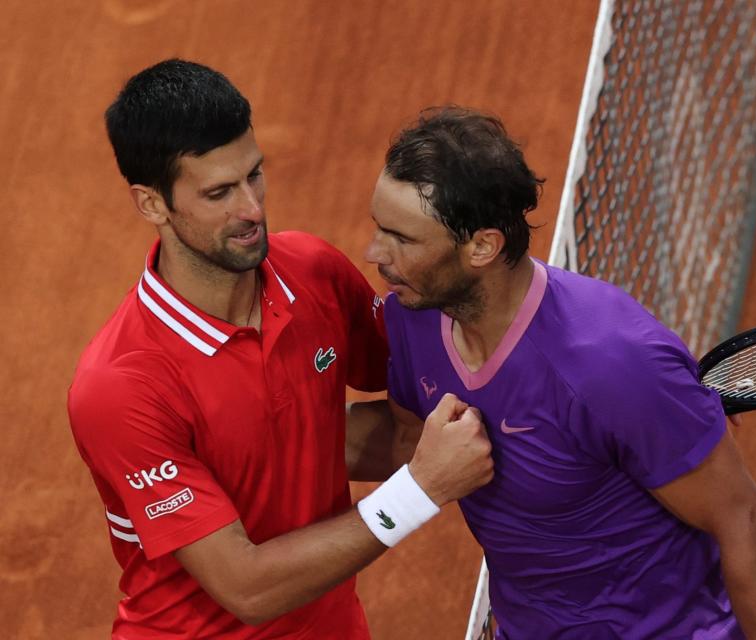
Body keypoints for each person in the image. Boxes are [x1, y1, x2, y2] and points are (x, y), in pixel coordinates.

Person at [67, 60, 493, 639]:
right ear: (151, 204)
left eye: (254, 175)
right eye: (219, 192)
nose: (251, 208)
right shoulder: (122, 385)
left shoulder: (312, 272)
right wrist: (421, 489)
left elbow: (409, 408)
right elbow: (248, 587)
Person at [365, 106, 756, 639]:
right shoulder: (414, 319)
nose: (374, 254)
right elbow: (409, 440)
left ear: (482, 246)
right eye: (378, 229)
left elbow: (749, 524)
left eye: (401, 239)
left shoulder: (611, 363)